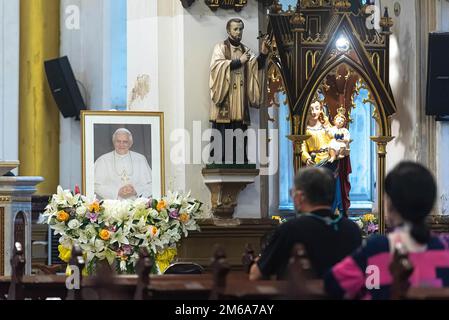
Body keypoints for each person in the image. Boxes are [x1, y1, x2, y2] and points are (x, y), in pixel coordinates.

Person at [325, 162, 449, 300]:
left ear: (390, 205)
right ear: (430, 203)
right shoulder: (446, 246)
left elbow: (333, 283)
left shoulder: (379, 247)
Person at [249, 167, 362, 281]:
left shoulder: (290, 229)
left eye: (292, 193)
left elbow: (256, 275)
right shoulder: (352, 229)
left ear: (300, 197)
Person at [209, 18, 270, 164]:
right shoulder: (221, 48)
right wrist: (238, 62)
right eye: (235, 29)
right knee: (224, 128)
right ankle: (220, 158)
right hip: (226, 96)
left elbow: (255, 68)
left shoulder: (245, 50)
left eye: (241, 29)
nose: (238, 32)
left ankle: (239, 158)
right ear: (228, 30)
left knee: (239, 128)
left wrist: (263, 54)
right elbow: (216, 67)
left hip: (240, 97)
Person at [301, 100, 352, 216]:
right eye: (311, 109)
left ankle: (333, 213)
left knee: (332, 188)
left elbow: (334, 136)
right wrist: (306, 157)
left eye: (317, 108)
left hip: (330, 159)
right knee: (318, 190)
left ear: (321, 109)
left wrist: (342, 140)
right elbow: (302, 146)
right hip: (316, 162)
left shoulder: (326, 125)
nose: (314, 112)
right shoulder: (304, 128)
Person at [94, 128, 152, 200]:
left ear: (130, 143)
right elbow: (96, 186)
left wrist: (136, 191)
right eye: (118, 141)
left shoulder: (140, 159)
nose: (121, 144)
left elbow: (151, 184)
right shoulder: (102, 160)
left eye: (125, 142)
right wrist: (116, 192)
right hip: (111, 206)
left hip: (137, 205)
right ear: (113, 142)